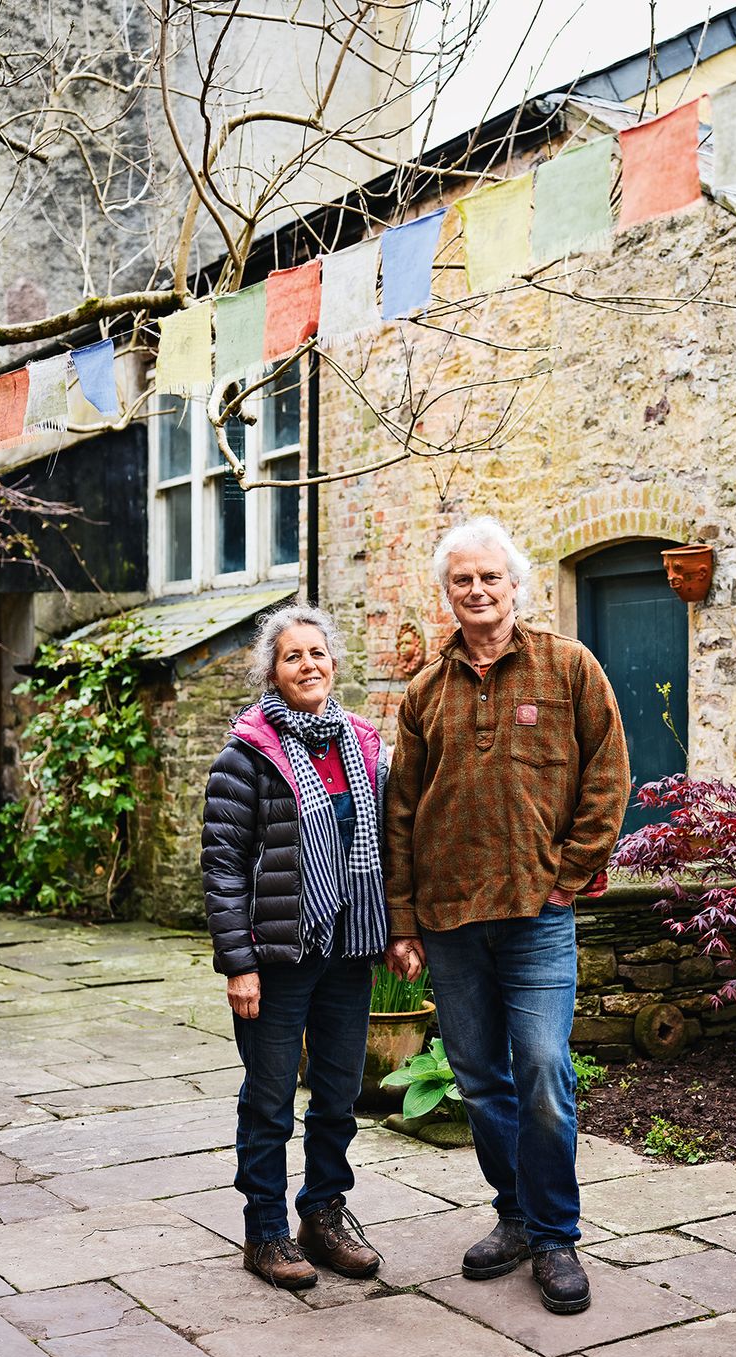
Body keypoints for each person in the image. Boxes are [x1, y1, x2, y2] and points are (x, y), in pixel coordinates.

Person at [384, 517, 631, 1315]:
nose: (478, 591)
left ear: (515, 585)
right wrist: (404, 919)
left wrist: (569, 875)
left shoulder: (568, 667)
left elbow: (608, 775)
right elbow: (401, 811)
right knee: (482, 1081)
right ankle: (515, 1216)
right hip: (451, 918)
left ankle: (556, 1235)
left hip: (536, 914)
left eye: (491, 577)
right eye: (462, 580)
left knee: (544, 1073)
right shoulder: (425, 692)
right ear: (446, 592)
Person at [201, 603, 388, 1291]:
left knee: (338, 1094)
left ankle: (323, 1214)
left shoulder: (363, 744)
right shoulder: (246, 755)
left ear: (333, 662)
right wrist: (238, 962)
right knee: (271, 1099)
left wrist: (398, 931)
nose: (308, 664)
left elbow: (387, 848)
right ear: (272, 672)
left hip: (348, 950)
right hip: (278, 956)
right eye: (292, 656)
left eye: (318, 652)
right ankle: (265, 1231)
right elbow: (222, 866)